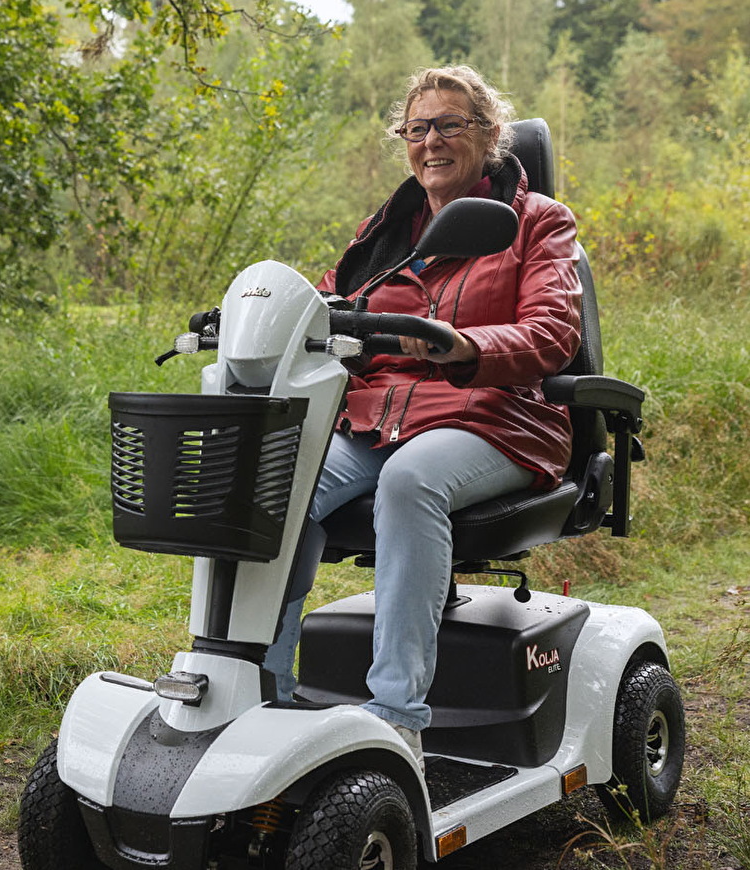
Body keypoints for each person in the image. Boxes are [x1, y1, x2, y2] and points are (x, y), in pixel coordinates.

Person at [264, 65, 582, 770]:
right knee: (280, 485)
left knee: (411, 481)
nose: (430, 140)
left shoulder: (537, 224)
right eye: (418, 128)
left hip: (496, 418)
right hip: (381, 416)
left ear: (493, 136)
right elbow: (326, 307)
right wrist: (259, 314)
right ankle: (265, 691)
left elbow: (553, 334)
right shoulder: (385, 236)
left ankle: (395, 717)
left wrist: (468, 346)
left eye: (449, 124)